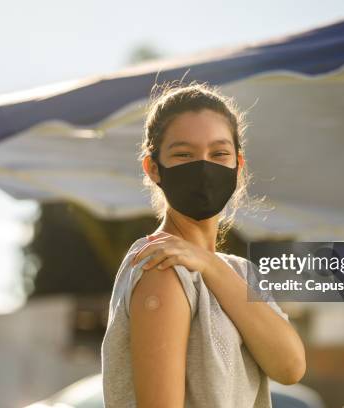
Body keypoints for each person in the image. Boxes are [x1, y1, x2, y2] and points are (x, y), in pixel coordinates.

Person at [101, 80, 306, 408]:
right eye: (183, 154)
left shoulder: (238, 271)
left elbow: (291, 366)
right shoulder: (162, 265)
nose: (204, 166)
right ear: (153, 168)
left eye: (219, 153)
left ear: (238, 165)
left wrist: (210, 264)